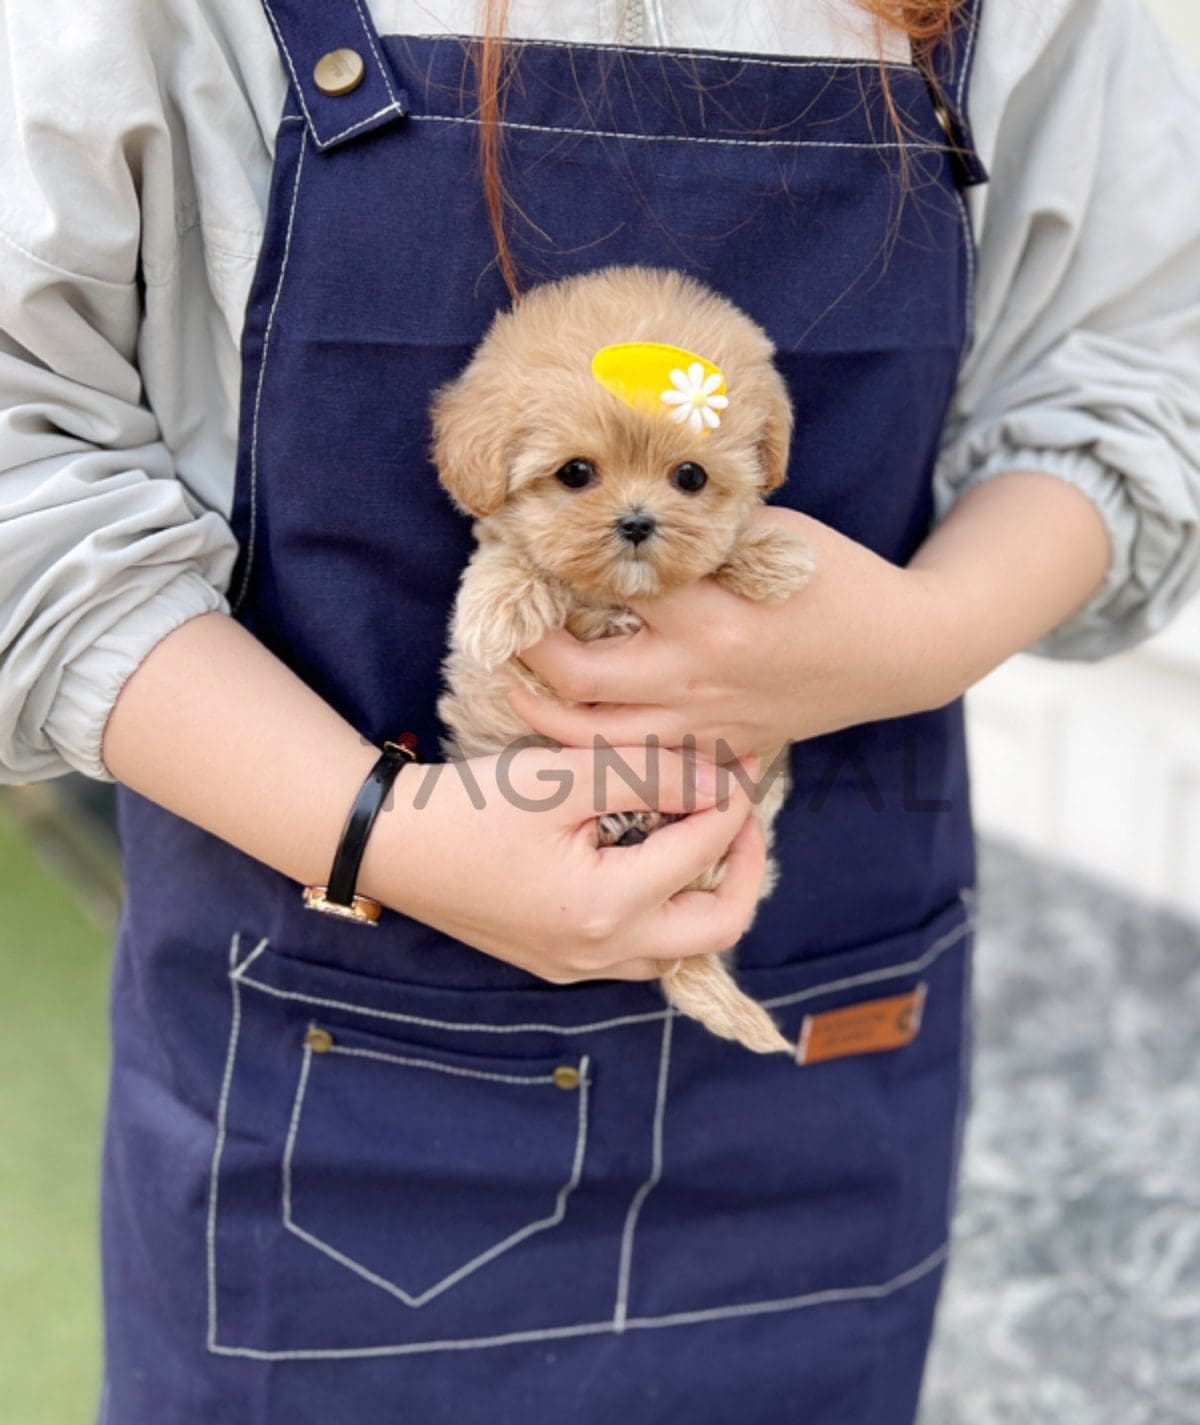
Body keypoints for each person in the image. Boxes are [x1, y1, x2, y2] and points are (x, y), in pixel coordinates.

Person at [1, 1, 1198, 1420]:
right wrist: (391, 831)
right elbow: (27, 463)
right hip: (321, 1058)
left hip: (814, 1032)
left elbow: (1132, 375)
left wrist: (930, 635)